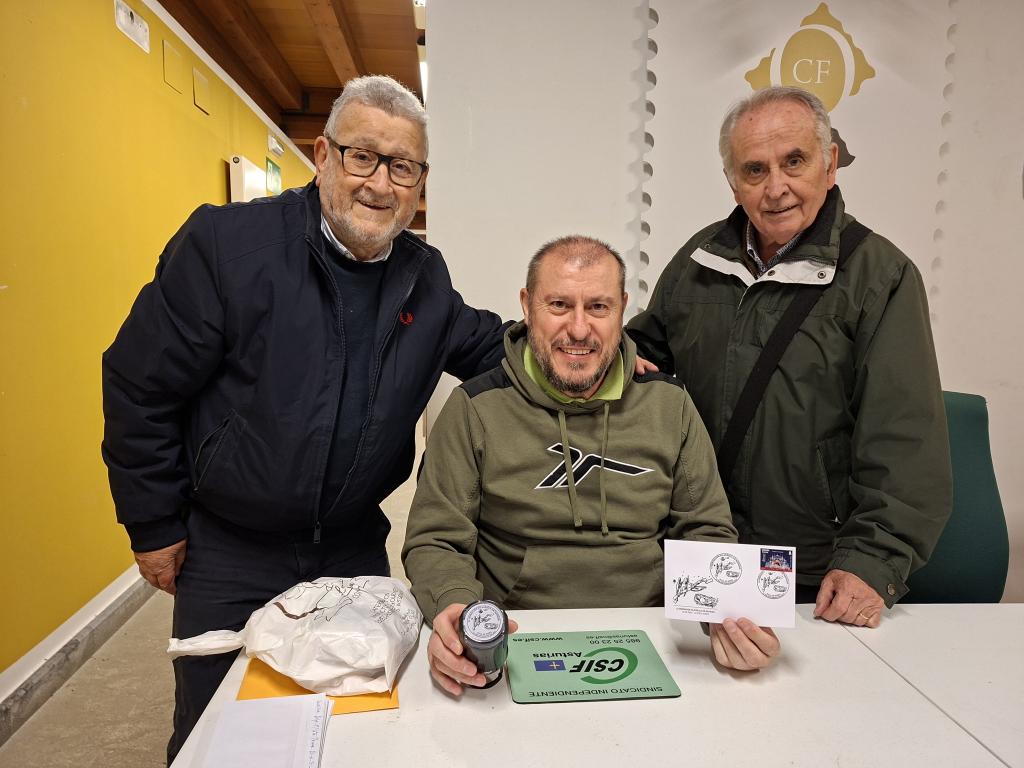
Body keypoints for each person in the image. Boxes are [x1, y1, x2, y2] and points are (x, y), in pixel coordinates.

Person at [102, 75, 509, 761]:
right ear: (323, 155)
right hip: (228, 547)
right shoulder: (228, 247)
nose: (379, 184)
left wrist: (592, 347)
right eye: (362, 156)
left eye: (402, 167)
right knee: (220, 734)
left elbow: (493, 346)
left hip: (350, 546)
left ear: (420, 183)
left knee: (358, 728)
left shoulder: (424, 278)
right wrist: (153, 524)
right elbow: (141, 385)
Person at [627, 86, 952, 628]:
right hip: (704, 555)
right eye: (755, 170)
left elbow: (905, 436)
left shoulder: (881, 276)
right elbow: (645, 359)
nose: (776, 188)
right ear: (733, 182)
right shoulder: (698, 262)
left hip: (816, 574)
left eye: (794, 161)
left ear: (830, 164)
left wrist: (872, 561)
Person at [402, 236, 781, 695]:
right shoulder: (474, 408)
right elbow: (436, 539)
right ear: (527, 306)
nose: (579, 329)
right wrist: (454, 607)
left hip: (653, 634)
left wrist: (729, 617)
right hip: (517, 636)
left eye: (598, 307)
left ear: (622, 309)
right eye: (559, 305)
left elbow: (705, 528)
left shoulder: (670, 405)